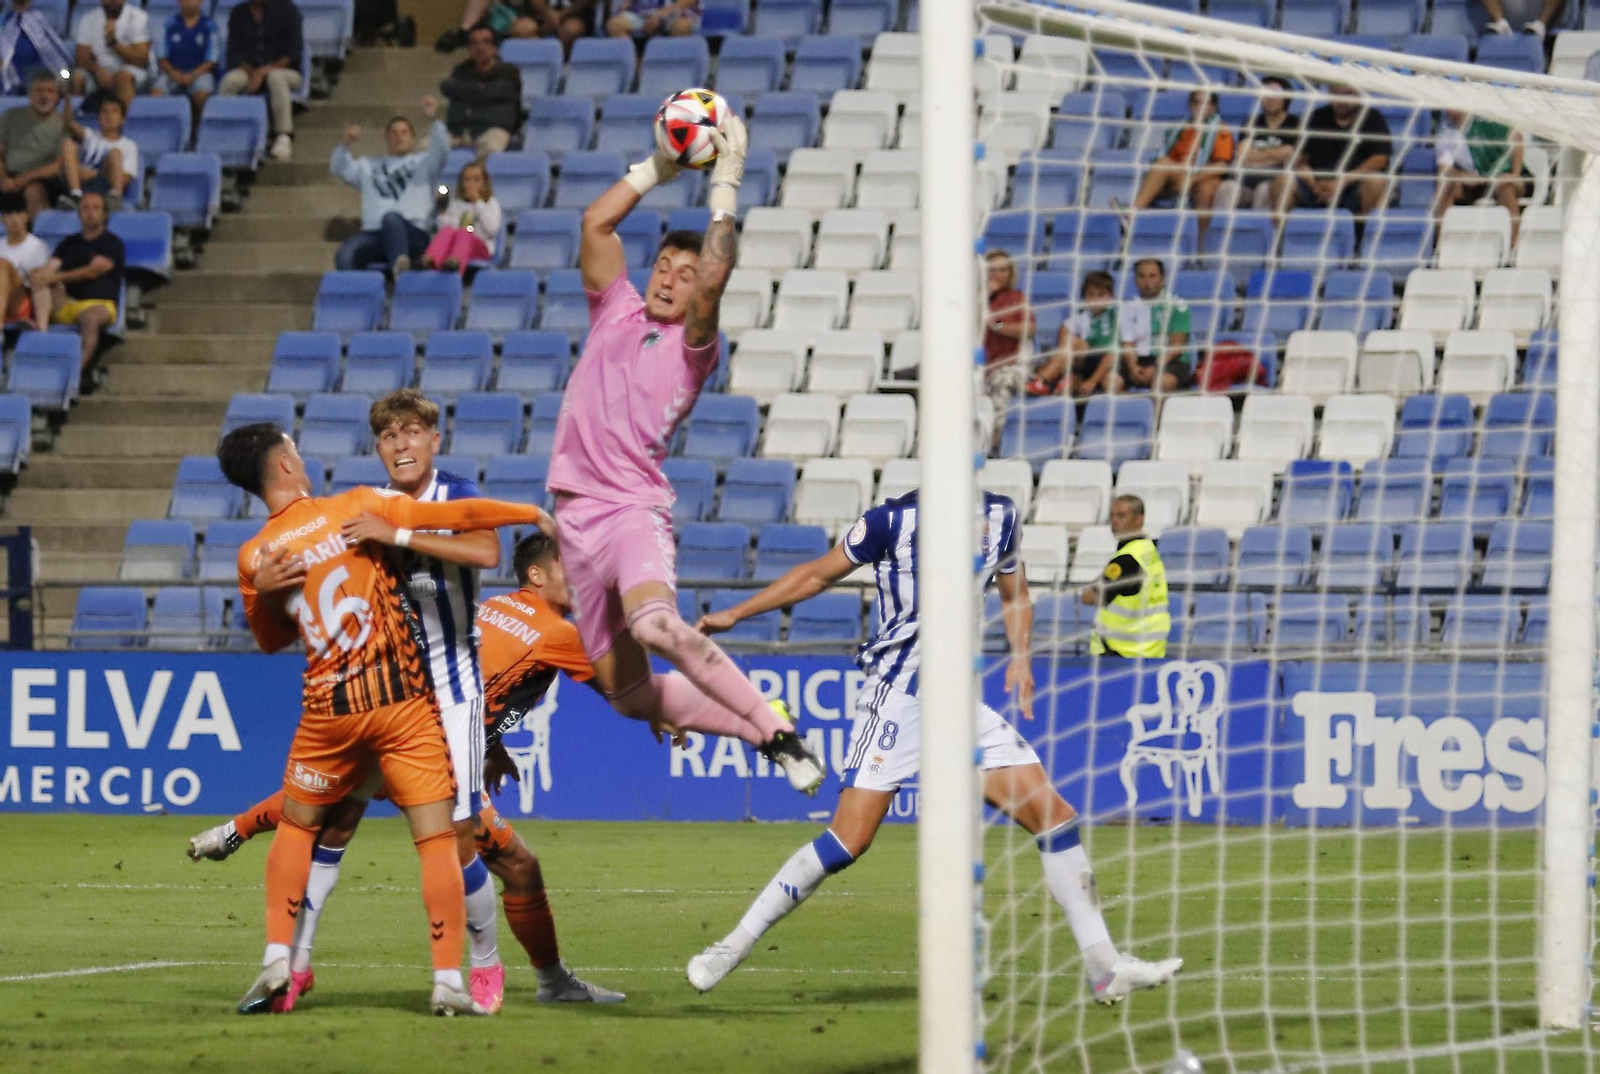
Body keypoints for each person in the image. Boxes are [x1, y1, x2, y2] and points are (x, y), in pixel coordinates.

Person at [190, 395, 620, 1015]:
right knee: (413, 834)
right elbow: (476, 523)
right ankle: (436, 974)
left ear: (433, 439)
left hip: (388, 696)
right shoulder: (351, 507)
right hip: (400, 697)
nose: (400, 444)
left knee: (343, 825)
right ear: (286, 462)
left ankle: (299, 958)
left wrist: (263, 594)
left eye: (411, 432)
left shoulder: (269, 550)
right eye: (388, 435)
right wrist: (530, 511)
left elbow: (271, 637)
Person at [683, 487, 1184, 998]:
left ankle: (1104, 968)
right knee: (846, 843)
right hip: (899, 698)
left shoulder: (1000, 514)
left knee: (1053, 818)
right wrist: (736, 614)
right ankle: (733, 945)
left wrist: (1021, 654)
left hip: (960, 704)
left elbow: (1015, 595)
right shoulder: (891, 521)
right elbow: (816, 574)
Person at [548, 109, 827, 793]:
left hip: (630, 512)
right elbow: (594, 225)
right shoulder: (614, 310)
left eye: (684, 270)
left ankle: (778, 730)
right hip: (573, 524)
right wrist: (656, 169)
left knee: (658, 624)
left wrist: (724, 185)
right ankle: (764, 730)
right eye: (664, 267)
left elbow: (713, 281)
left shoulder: (692, 348)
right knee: (626, 695)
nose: (672, 279)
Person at [331, 98, 449, 275]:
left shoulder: (424, 162)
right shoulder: (368, 166)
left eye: (404, 132)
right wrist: (346, 143)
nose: (399, 136)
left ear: (412, 138)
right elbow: (338, 168)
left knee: (392, 219)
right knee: (345, 255)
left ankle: (402, 276)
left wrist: (434, 120)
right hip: (375, 235)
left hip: (414, 234)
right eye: (393, 132)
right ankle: (365, 298)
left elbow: (442, 150)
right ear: (387, 138)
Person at [1124, 89, 1236, 248]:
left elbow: (1222, 166)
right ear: (1190, 105)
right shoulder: (1181, 129)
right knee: (1162, 164)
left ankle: (1200, 246)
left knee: (1205, 189)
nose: (1200, 107)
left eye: (1205, 103)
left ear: (1213, 107)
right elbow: (1168, 157)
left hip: (1203, 177)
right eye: (1196, 102)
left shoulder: (1220, 130)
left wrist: (1192, 179)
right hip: (1178, 174)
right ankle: (1132, 215)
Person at [1269, 83, 1391, 221]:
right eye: (1336, 94)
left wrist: (1341, 182)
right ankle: (1280, 239)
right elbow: (1299, 159)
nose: (1341, 99)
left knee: (1376, 181)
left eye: (1347, 94)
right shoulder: (1315, 117)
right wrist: (1315, 185)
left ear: (1358, 95)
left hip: (1352, 189)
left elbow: (1380, 159)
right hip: (1316, 189)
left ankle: (1365, 239)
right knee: (1283, 179)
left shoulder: (1372, 118)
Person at [33, 190, 121, 370]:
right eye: (85, 208)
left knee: (90, 317)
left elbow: (91, 272)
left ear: (104, 214)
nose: (90, 212)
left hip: (99, 304)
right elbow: (51, 267)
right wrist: (41, 275)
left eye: (95, 208)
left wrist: (56, 277)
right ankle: (39, 335)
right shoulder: (68, 243)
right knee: (39, 279)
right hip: (67, 303)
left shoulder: (112, 243)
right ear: (79, 213)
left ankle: (77, 370)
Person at [1081, 494, 1170, 659]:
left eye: (1121, 516)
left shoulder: (1126, 560)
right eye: (1112, 516)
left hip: (1121, 653)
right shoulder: (1148, 549)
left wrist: (1089, 588)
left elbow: (1090, 597)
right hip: (1151, 650)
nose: (1114, 522)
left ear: (1139, 520)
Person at [220, 0, 304, 163]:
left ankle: (283, 135)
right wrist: (253, 73)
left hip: (285, 71)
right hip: (249, 70)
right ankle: (227, 133)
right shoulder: (238, 14)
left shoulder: (288, 10)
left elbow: (293, 53)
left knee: (276, 77)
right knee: (230, 81)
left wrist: (264, 72)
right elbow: (234, 53)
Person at [1026, 270, 1124, 398]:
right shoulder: (1081, 317)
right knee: (1071, 342)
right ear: (1085, 297)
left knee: (1113, 383)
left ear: (1111, 296)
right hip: (1085, 362)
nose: (1096, 299)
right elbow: (1064, 330)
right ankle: (1041, 381)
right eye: (1091, 295)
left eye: (1101, 295)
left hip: (1108, 365)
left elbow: (1112, 355)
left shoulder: (1118, 317)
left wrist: (1092, 381)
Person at [1434, 109, 1526, 243]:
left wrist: (1514, 173)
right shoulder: (1445, 134)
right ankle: (1440, 244)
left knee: (1506, 187)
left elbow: (1517, 137)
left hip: (1500, 178)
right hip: (1476, 181)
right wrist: (1461, 176)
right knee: (1448, 188)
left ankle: (1513, 245)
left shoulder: (1485, 124)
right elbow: (1445, 171)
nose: (1452, 111)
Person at [441, 26, 521, 160]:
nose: (480, 47)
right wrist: (480, 90)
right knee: (426, 147)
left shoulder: (509, 72)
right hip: (460, 131)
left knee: (490, 148)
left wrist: (466, 91)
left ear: (495, 47)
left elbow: (501, 93)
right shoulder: (461, 71)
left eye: (485, 42)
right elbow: (446, 87)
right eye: (474, 43)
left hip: (493, 130)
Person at [1116, 258, 1192, 395]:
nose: (1147, 282)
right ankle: (1129, 414)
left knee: (1163, 382)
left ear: (1162, 279)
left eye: (1152, 276)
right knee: (1111, 382)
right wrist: (1132, 367)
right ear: (1135, 280)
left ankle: (1154, 416)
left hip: (1170, 361)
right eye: (1142, 276)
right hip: (1138, 359)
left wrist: (1155, 367)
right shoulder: (1127, 307)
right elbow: (1127, 344)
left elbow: (1176, 346)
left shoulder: (1177, 305)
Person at [982, 249, 1033, 446]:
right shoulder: (975, 299)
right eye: (993, 270)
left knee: (1002, 382)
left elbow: (1028, 329)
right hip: (982, 364)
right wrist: (985, 295)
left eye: (1003, 270)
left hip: (1012, 363)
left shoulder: (1017, 298)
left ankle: (995, 439)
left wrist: (998, 326)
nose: (997, 275)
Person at [0, 70, 66, 220]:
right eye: (39, 91)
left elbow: (59, 165)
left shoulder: (63, 124)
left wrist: (24, 179)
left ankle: (38, 240)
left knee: (34, 191)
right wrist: (4, 179)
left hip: (43, 181)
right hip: (8, 177)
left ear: (57, 96)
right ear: (30, 94)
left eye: (50, 91)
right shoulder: (11, 116)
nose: (44, 96)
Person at [59, 94, 137, 213]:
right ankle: (75, 195)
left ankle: (115, 199)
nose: (109, 116)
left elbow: (125, 178)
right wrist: (66, 96)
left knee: (115, 154)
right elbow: (68, 123)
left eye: (114, 112)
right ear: (99, 117)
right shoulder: (89, 136)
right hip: (83, 184)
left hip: (106, 186)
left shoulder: (129, 145)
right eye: (105, 112)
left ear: (122, 119)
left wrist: (94, 174)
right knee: (68, 143)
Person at [421, 160, 501, 274]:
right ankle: (429, 260)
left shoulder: (490, 203)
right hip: (455, 245)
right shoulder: (456, 204)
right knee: (448, 231)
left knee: (464, 233)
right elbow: (444, 230)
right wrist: (443, 211)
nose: (471, 184)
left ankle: (455, 262)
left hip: (480, 248)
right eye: (467, 180)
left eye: (476, 180)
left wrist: (477, 202)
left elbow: (492, 229)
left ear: (484, 182)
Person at [1233, 75, 1301, 210]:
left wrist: (1256, 155)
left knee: (1264, 190)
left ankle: (1261, 230)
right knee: (1227, 188)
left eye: (1276, 93)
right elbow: (1242, 155)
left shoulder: (1295, 123)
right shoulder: (1251, 122)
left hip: (1274, 182)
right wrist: (1276, 155)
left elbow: (1291, 154)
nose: (1270, 98)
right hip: (1246, 180)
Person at [72, 0, 150, 109]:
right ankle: (76, 122)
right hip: (96, 70)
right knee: (76, 78)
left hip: (129, 69)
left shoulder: (138, 17)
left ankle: (126, 122)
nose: (113, 1)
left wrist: (113, 43)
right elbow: (80, 57)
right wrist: (97, 70)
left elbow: (141, 60)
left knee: (124, 77)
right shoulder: (89, 19)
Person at [151, 0, 220, 122]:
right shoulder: (169, 24)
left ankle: (198, 128)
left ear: (201, 2)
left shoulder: (210, 26)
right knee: (157, 92)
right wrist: (174, 73)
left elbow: (212, 60)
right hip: (172, 73)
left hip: (200, 73)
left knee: (202, 94)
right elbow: (161, 57)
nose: (189, 2)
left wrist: (193, 75)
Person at [0, 0, 74, 97]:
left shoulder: (39, 18)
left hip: (43, 69)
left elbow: (55, 46)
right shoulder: (6, 21)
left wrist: (63, 69)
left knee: (67, 75)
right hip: (16, 71)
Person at [0, 191, 48, 328]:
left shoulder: (37, 246)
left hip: (23, 301)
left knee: (3, 265)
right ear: (3, 219)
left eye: (18, 213)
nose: (14, 219)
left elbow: (39, 283)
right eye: (9, 215)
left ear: (26, 216)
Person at [605, 0, 700, 39]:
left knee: (681, 26)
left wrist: (660, 14)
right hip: (644, 12)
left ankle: (673, 71)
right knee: (615, 25)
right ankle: (637, 71)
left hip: (673, 12)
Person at [1483, 0, 1565, 38]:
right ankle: (1500, 23)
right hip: (1499, 22)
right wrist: (1499, 20)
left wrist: (1542, 23)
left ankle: (1540, 25)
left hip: (1548, 27)